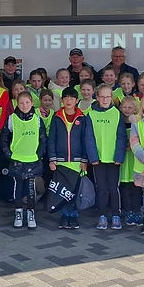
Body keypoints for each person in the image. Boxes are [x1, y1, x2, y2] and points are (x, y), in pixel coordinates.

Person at [0, 91, 46, 230]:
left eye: (27, 102)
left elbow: (43, 139)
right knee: (18, 188)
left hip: (33, 159)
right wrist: (9, 154)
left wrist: (39, 155)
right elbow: (4, 139)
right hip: (17, 160)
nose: (24, 105)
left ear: (32, 103)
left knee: (31, 188)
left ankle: (31, 213)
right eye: (21, 103)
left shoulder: (37, 119)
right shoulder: (11, 119)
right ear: (17, 104)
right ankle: (18, 213)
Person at [86, 84, 128, 231]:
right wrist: (93, 157)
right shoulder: (91, 115)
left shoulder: (117, 114)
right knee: (101, 188)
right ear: (97, 97)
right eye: (102, 96)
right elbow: (89, 138)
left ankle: (116, 215)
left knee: (113, 188)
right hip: (98, 159)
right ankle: (102, 215)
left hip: (113, 159)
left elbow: (121, 137)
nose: (104, 99)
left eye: (107, 96)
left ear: (112, 97)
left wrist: (119, 156)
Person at [48, 87, 90, 229]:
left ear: (77, 100)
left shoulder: (82, 117)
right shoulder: (57, 116)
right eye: (66, 98)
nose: (69, 100)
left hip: (77, 162)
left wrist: (85, 159)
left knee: (75, 190)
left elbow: (86, 140)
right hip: (61, 161)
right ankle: (64, 215)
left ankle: (73, 216)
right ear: (62, 100)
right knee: (63, 190)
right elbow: (52, 139)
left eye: (72, 98)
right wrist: (52, 158)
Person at [118, 96, 142, 225]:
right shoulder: (119, 121)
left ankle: (137, 211)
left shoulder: (138, 122)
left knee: (136, 186)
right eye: (124, 107)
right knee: (125, 185)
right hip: (124, 158)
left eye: (130, 107)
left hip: (135, 158)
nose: (126, 110)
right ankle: (128, 211)